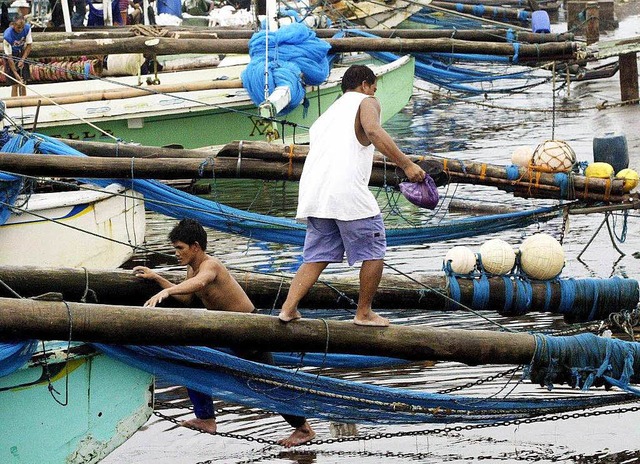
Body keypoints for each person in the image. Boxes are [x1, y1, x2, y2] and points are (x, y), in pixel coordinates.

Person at [133, 218, 316, 447]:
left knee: (266, 384)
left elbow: (199, 284)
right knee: (191, 358)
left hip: (249, 330)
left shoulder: (211, 265)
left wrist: (168, 293)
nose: (176, 254)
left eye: (180, 248)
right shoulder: (193, 268)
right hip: (228, 330)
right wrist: (157, 278)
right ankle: (206, 418)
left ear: (196, 246)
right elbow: (187, 297)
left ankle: (303, 428)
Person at [278, 64, 426, 327]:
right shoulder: (366, 100)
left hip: (315, 194)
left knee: (317, 256)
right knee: (374, 250)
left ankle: (288, 309)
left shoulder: (327, 115)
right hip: (346, 193)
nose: (374, 93)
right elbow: (372, 130)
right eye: (374, 88)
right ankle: (364, 313)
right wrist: (406, 164)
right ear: (365, 85)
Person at [2, 15, 31, 97]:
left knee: (23, 82)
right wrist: (15, 73)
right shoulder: (7, 36)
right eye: (18, 27)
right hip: (10, 55)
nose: (21, 29)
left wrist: (23, 59)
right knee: (15, 83)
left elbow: (29, 45)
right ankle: (15, 105)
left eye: (22, 27)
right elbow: (9, 57)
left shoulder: (27, 28)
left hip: (21, 52)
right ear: (13, 25)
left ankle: (24, 103)